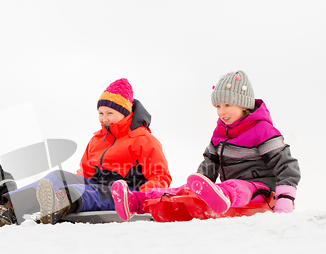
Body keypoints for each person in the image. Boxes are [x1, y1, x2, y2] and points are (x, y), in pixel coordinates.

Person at [0, 78, 172, 225]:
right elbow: (85, 174)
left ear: (126, 113)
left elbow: (161, 176)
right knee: (58, 176)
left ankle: (61, 202)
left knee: (88, 192)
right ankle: (8, 209)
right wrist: (66, 181)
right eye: (101, 113)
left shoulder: (144, 140)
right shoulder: (97, 139)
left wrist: (139, 197)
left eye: (110, 113)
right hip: (97, 184)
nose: (104, 119)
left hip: (124, 191)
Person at [111, 70, 301, 220]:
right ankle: (137, 201)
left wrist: (285, 200)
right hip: (225, 190)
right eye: (218, 106)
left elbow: (286, 166)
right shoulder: (220, 132)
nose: (221, 112)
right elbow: (209, 164)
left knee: (237, 187)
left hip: (261, 191)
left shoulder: (263, 130)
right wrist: (194, 188)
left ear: (243, 105)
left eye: (227, 105)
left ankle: (221, 194)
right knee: (182, 189)